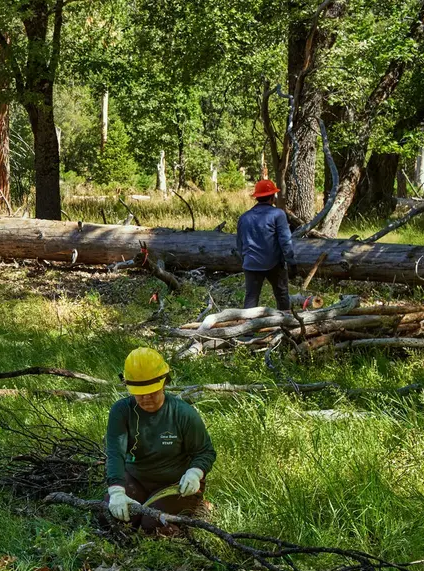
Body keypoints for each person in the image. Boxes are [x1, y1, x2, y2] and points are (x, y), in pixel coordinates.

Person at [105, 348, 216, 534]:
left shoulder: (182, 413)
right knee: (114, 518)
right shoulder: (121, 411)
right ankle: (144, 504)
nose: (146, 398)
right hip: (137, 477)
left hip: (175, 484)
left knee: (152, 525)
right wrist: (116, 491)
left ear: (164, 383)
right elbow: (115, 453)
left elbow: (205, 451)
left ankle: (193, 510)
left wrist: (195, 473)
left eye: (152, 392)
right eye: (140, 393)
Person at [236, 179, 295, 310]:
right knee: (282, 294)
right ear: (272, 196)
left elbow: (239, 244)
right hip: (274, 264)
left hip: (251, 264)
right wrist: (291, 261)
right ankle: (285, 325)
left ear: (257, 197)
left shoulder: (244, 217)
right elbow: (285, 240)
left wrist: (246, 259)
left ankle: (248, 328)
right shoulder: (278, 214)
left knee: (251, 297)